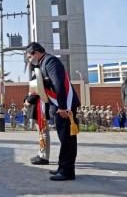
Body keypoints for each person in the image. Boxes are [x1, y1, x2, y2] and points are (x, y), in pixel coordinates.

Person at [26, 42, 80, 181]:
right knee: (64, 139)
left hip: (64, 106)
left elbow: (58, 83)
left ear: (36, 53)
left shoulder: (50, 61)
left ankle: (67, 172)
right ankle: (63, 167)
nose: (29, 60)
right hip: (59, 106)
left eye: (29, 56)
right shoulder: (43, 63)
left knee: (67, 139)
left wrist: (62, 106)